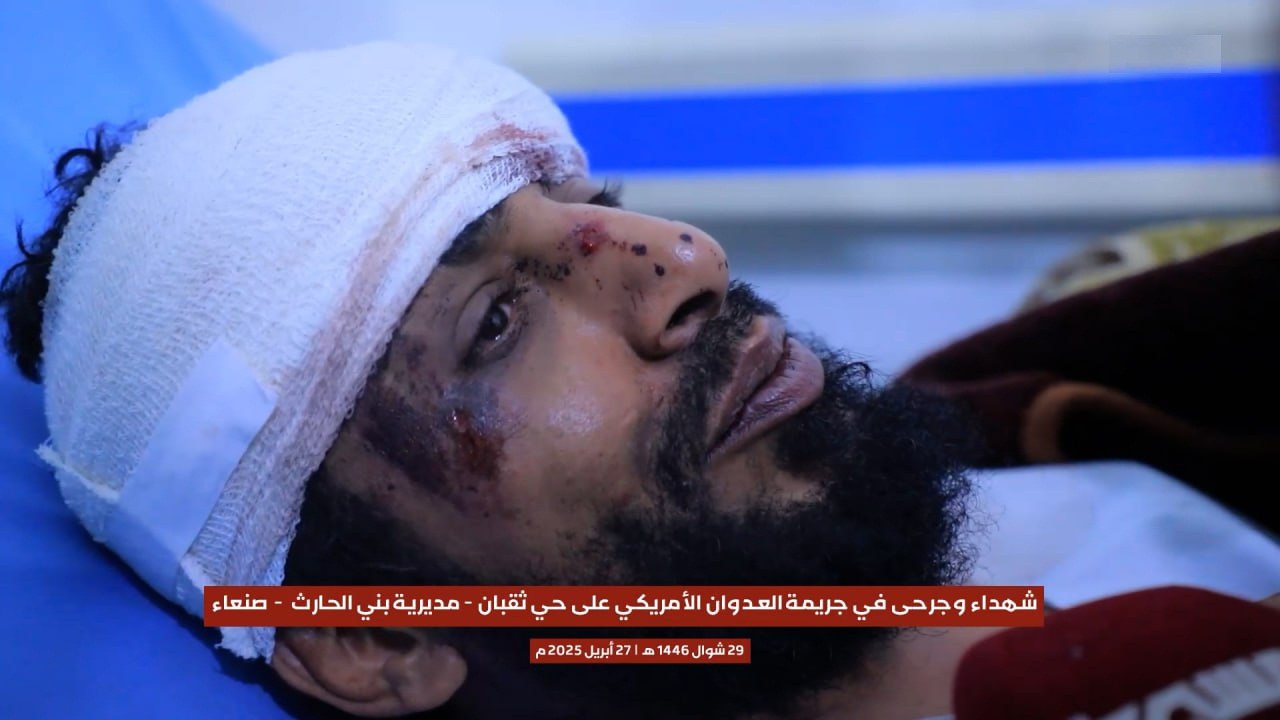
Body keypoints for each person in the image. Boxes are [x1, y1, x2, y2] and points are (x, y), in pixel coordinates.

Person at [2, 42, 1276, 720]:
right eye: (498, 320)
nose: (687, 260)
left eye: (592, 204)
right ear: (370, 634)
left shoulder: (1098, 425)